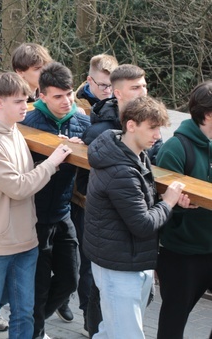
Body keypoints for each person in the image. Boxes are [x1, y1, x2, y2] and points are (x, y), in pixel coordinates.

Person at [0, 72, 72, 339]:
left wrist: (63, 146)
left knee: (24, 312)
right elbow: (19, 187)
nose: (25, 107)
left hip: (25, 240)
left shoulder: (14, 130)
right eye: (18, 102)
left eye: (26, 101)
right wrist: (52, 162)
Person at [83, 96, 191, 339]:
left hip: (127, 260)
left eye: (159, 128)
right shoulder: (121, 169)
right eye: (152, 128)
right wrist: (168, 202)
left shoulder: (132, 154)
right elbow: (142, 224)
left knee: (111, 332)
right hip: (119, 267)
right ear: (131, 126)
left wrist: (172, 205)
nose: (157, 135)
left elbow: (141, 204)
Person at [80, 63, 157, 336]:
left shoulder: (142, 139)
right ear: (117, 92)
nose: (143, 91)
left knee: (112, 328)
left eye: (144, 86)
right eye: (136, 87)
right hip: (115, 250)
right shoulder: (103, 132)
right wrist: (167, 203)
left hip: (131, 252)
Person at [21, 62, 89, 339]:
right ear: (42, 95)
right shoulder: (27, 121)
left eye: (69, 94)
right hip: (31, 216)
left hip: (63, 213)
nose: (66, 101)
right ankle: (33, 331)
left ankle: (28, 322)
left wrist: (83, 149)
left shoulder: (83, 122)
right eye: (58, 96)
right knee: (37, 285)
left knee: (69, 280)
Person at [155, 81, 212, 339]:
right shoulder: (176, 148)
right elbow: (158, 203)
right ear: (208, 114)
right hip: (183, 255)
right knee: (173, 324)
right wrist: (180, 207)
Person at [69, 53, 117, 326]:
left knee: (89, 261)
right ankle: (83, 308)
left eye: (111, 86)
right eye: (103, 86)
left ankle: (89, 314)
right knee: (81, 259)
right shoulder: (78, 108)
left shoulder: (121, 106)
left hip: (104, 194)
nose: (108, 91)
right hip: (80, 193)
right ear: (89, 81)